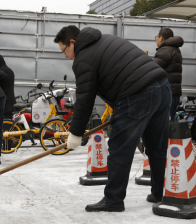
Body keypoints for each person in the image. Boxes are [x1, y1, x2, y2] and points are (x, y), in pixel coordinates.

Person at [54, 25, 170, 212]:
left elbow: (85, 99)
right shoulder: (106, 39)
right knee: (157, 145)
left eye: (64, 50)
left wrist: (75, 133)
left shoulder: (83, 59)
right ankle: (160, 193)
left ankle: (113, 199)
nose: (66, 56)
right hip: (162, 87)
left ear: (73, 42)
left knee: (119, 147)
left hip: (137, 93)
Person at [154, 27, 184, 121]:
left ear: (161, 38)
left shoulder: (164, 51)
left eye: (157, 36)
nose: (156, 39)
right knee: (169, 123)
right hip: (173, 93)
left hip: (166, 93)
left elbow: (152, 70)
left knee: (162, 124)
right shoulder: (175, 49)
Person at [0, 55, 16, 119]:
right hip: (11, 102)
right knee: (9, 123)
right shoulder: (10, 71)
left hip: (3, 103)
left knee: (3, 125)